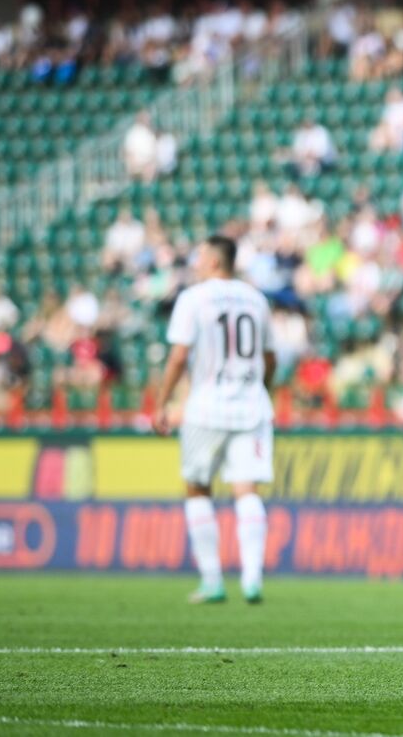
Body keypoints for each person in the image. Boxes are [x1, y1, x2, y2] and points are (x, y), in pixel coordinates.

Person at [152, 236, 276, 606]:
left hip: (205, 407)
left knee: (197, 487)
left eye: (201, 254)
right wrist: (261, 389)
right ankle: (252, 579)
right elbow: (270, 359)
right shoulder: (256, 299)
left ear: (213, 261)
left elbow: (178, 356)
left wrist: (162, 402)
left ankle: (212, 581)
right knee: (247, 491)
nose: (196, 260)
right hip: (251, 406)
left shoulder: (194, 298)